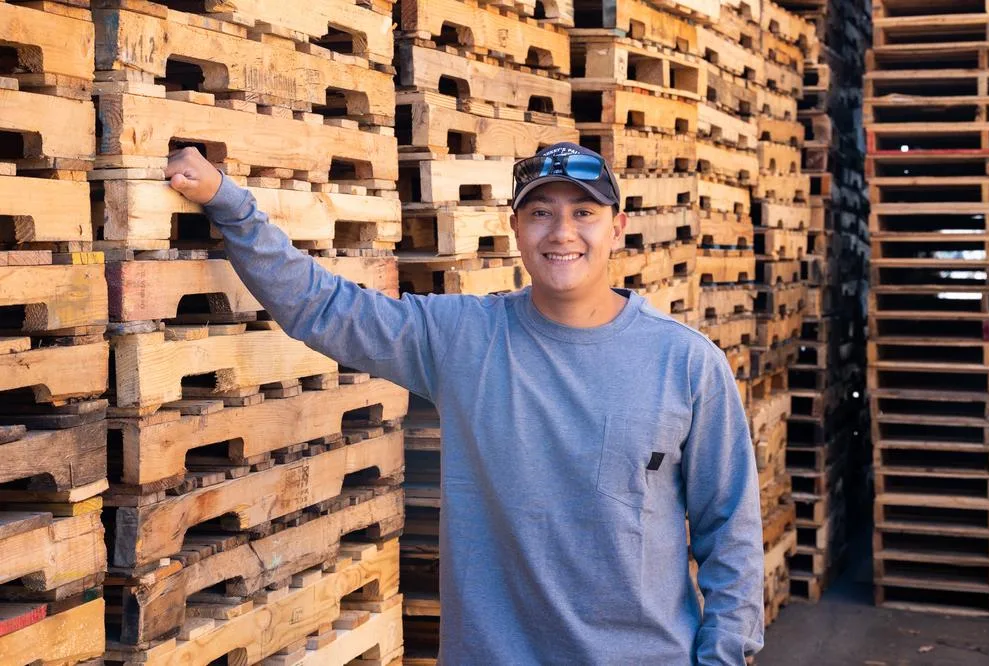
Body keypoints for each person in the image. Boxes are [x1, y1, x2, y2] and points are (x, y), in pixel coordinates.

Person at [166, 142, 764, 665]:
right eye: (540, 214)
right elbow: (324, 308)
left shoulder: (686, 364)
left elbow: (729, 529)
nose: (561, 232)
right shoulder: (463, 339)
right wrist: (230, 204)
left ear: (618, 227)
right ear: (515, 228)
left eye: (584, 212)